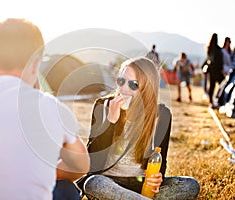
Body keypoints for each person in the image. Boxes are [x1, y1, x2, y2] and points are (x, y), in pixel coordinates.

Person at [0, 18, 90, 200]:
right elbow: (80, 166)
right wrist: (47, 172)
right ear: (36, 64)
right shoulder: (53, 110)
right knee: (67, 191)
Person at [82, 57, 200, 199]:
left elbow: (160, 159)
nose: (124, 88)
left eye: (133, 85)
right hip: (109, 181)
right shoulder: (103, 106)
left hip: (142, 186)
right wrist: (110, 121)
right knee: (93, 183)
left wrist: (157, 178)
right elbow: (93, 163)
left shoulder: (161, 115)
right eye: (121, 81)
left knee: (190, 185)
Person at [206, 33, 225, 106]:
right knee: (222, 83)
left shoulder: (209, 48)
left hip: (211, 70)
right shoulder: (218, 49)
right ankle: (220, 98)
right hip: (217, 70)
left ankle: (211, 100)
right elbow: (220, 60)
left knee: (212, 85)